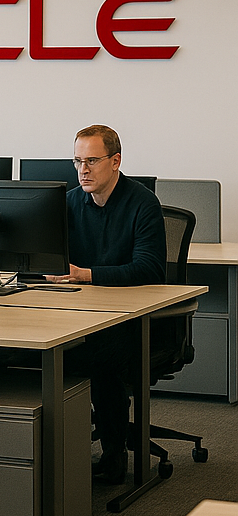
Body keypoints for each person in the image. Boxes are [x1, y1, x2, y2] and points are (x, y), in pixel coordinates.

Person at [46, 123, 166, 484]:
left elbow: (150, 268)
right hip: (79, 312)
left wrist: (86, 274)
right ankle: (41, 456)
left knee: (99, 358)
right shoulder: (68, 203)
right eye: (77, 161)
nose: (83, 170)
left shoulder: (142, 203)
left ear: (115, 161)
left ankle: (115, 456)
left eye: (92, 161)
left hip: (134, 320)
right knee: (27, 352)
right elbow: (48, 257)